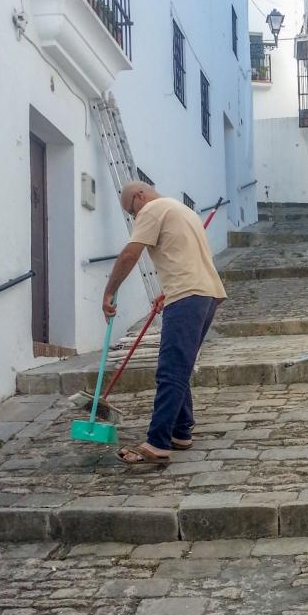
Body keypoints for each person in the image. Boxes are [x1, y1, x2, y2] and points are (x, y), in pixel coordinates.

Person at [102, 181, 226, 465]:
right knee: (179, 365)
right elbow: (186, 258)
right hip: (206, 295)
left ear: (139, 196)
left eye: (131, 211)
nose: (135, 218)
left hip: (187, 295)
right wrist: (166, 292)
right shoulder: (183, 211)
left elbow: (130, 254)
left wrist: (109, 292)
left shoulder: (152, 209)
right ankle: (181, 431)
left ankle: (157, 444)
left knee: (169, 370)